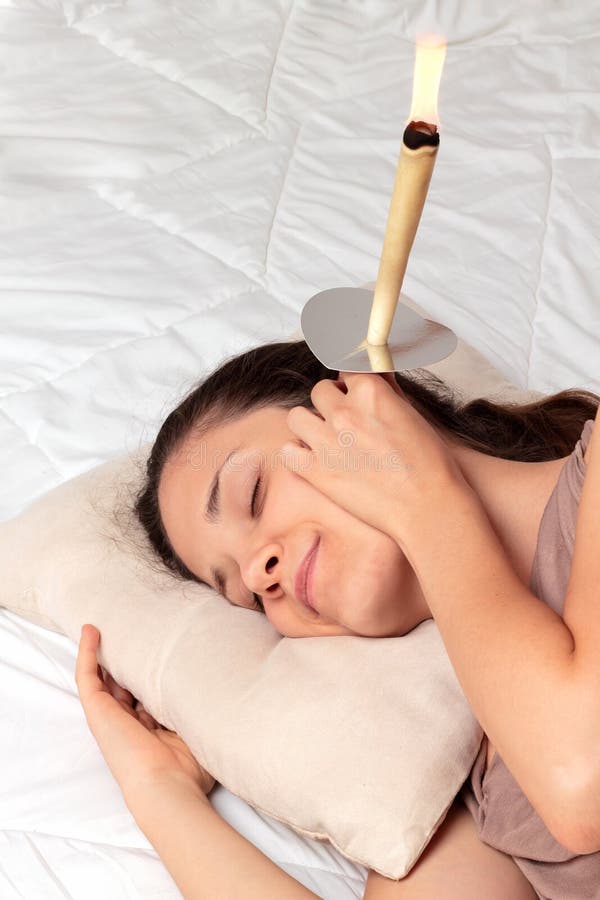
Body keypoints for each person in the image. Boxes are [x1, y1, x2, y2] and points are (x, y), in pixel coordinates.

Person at [76, 338, 600, 898]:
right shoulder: (479, 792)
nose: (258, 574)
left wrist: (426, 502)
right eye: (249, 600)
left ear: (365, 407)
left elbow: (580, 779)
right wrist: (160, 791)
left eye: (252, 494)